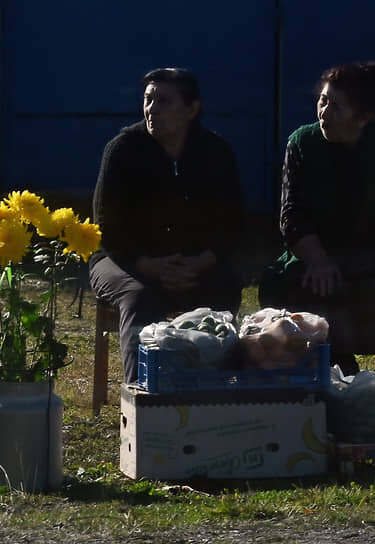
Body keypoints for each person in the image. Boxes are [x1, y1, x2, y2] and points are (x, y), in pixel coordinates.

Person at [259, 61, 375, 375]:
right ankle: (332, 366)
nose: (324, 112)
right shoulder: (302, 143)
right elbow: (291, 213)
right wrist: (318, 260)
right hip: (321, 251)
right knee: (291, 285)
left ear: (362, 117)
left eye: (336, 106)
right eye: (322, 101)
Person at [89, 68, 244, 384]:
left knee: (223, 285)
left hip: (192, 261)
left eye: (163, 101)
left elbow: (233, 223)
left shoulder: (216, 152)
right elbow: (107, 227)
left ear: (191, 109)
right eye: (147, 99)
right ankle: (141, 394)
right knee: (139, 296)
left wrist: (200, 262)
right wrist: (148, 265)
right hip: (122, 261)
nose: (151, 109)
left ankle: (215, 389)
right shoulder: (123, 149)